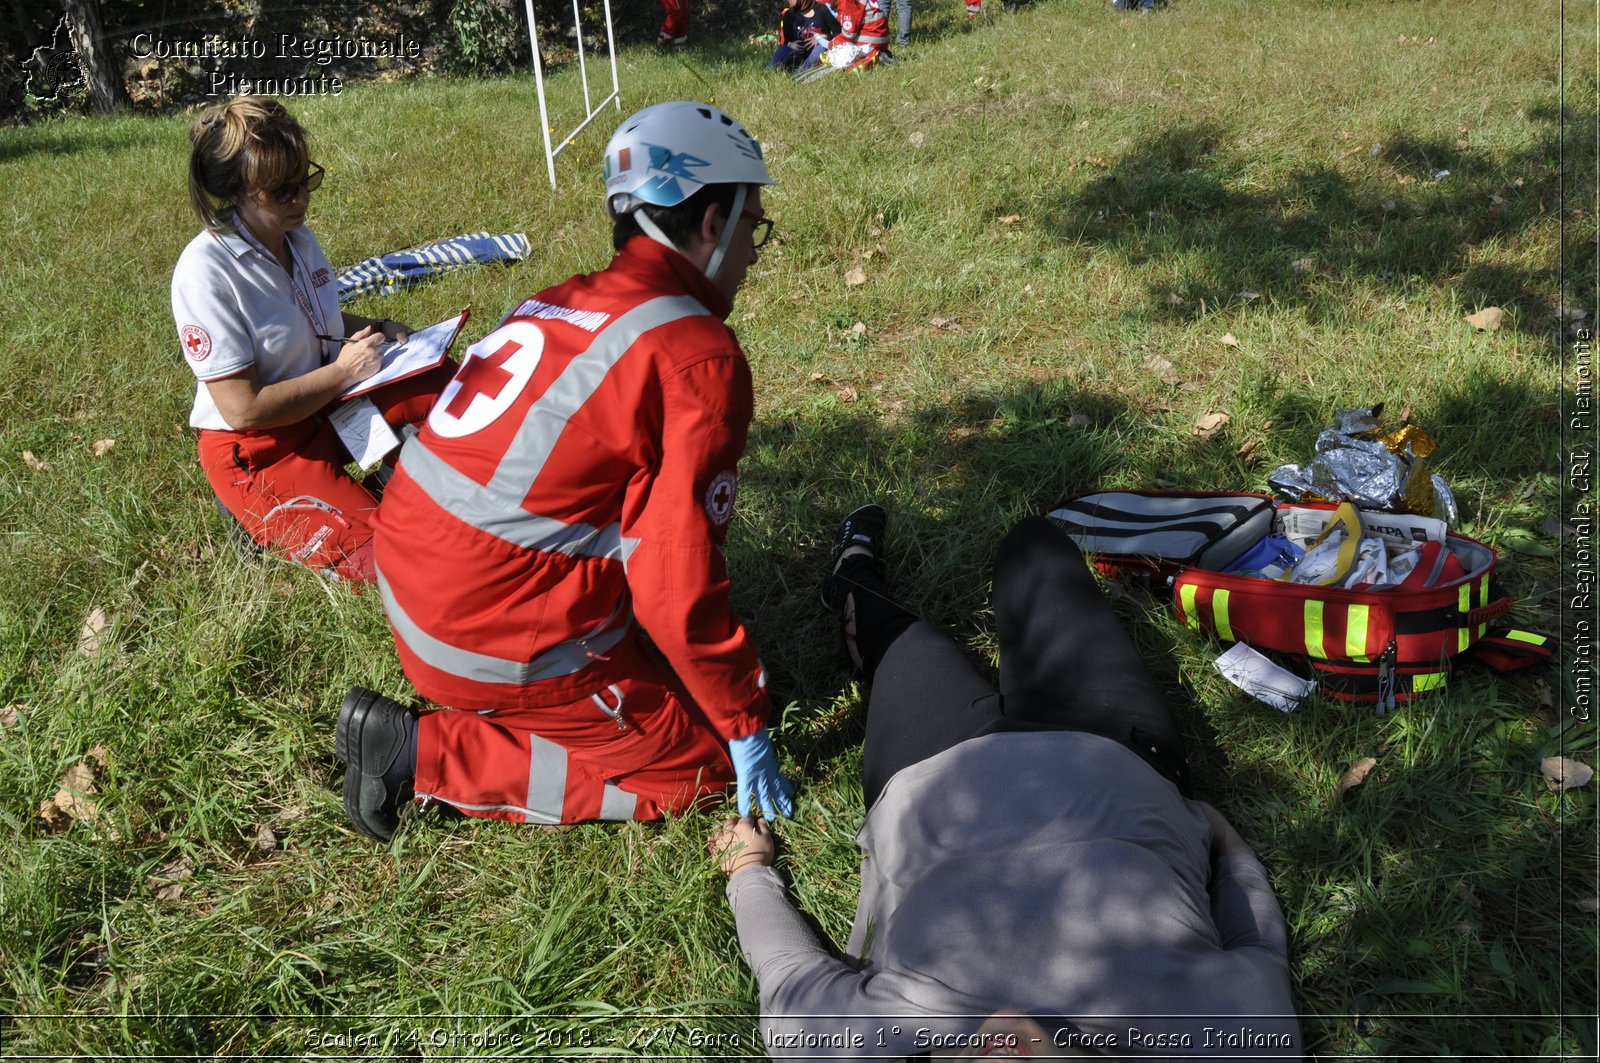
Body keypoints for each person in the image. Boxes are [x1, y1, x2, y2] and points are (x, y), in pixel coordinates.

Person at [336, 102, 796, 842]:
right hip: (483, 626)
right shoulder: (695, 356)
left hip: (415, 579)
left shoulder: (560, 299)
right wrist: (741, 719)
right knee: (697, 773)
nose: (752, 250)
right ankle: (422, 756)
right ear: (710, 222)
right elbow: (675, 582)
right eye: (753, 227)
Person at [710, 506, 1301, 1059]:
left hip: (929, 768)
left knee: (897, 638)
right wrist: (1228, 847)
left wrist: (748, 871)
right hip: (1115, 752)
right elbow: (1257, 943)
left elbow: (786, 976)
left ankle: (850, 577)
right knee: (1036, 547)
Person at [172, 96, 453, 583]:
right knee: (397, 566)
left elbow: (312, 319)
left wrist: (381, 327)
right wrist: (344, 370)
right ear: (239, 192)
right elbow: (242, 409)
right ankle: (251, 506)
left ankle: (395, 473)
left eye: (305, 180)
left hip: (327, 401)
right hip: (262, 446)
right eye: (282, 191)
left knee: (453, 385)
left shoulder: (297, 238)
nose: (301, 198)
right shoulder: (204, 273)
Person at [770, 0, 842, 73]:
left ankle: (801, 72)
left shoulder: (822, 10)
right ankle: (768, 71)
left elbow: (840, 34)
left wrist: (825, 36)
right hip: (798, 56)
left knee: (822, 47)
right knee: (783, 49)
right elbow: (786, 41)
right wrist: (790, 44)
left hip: (818, 57)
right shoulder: (789, 15)